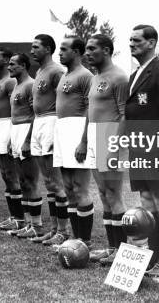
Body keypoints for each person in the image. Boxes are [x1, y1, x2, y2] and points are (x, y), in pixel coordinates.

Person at [126, 24, 159, 277]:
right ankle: (153, 259)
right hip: (138, 148)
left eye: (136, 40)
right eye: (130, 40)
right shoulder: (135, 73)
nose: (131, 44)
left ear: (151, 43)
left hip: (156, 149)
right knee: (147, 202)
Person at [85, 34, 129, 265]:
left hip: (110, 135)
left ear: (107, 50)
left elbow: (125, 115)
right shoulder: (95, 77)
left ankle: (121, 250)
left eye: (92, 49)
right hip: (95, 135)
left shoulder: (119, 77)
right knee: (103, 194)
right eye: (86, 49)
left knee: (114, 194)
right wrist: (84, 141)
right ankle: (112, 248)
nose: (87, 53)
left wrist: (115, 144)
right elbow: (89, 112)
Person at [23, 34, 68, 243]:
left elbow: (64, 102)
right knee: (48, 182)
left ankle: (64, 231)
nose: (32, 51)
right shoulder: (39, 71)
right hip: (39, 122)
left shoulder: (57, 71)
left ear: (48, 49)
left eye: (36, 47)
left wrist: (59, 130)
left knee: (56, 182)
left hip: (51, 122)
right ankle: (53, 228)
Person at [53, 36, 94, 248]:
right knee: (68, 188)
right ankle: (74, 237)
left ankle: (85, 240)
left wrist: (84, 141)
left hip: (78, 131)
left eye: (64, 49)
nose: (60, 53)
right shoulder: (65, 75)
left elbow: (91, 108)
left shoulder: (85, 75)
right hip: (62, 131)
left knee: (80, 188)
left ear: (77, 52)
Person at [0, 48, 25, 231]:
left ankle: (20, 219)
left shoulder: (11, 82)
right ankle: (13, 216)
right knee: (5, 175)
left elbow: (14, 109)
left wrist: (11, 135)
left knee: (13, 175)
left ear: (6, 60)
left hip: (8, 126)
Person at [7, 53, 39, 237]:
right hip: (16, 132)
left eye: (13, 64)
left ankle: (37, 225)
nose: (9, 67)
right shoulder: (17, 85)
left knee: (31, 181)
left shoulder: (30, 85)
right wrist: (13, 139)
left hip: (27, 130)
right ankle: (28, 224)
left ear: (24, 66)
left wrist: (27, 140)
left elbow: (35, 113)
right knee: (22, 181)